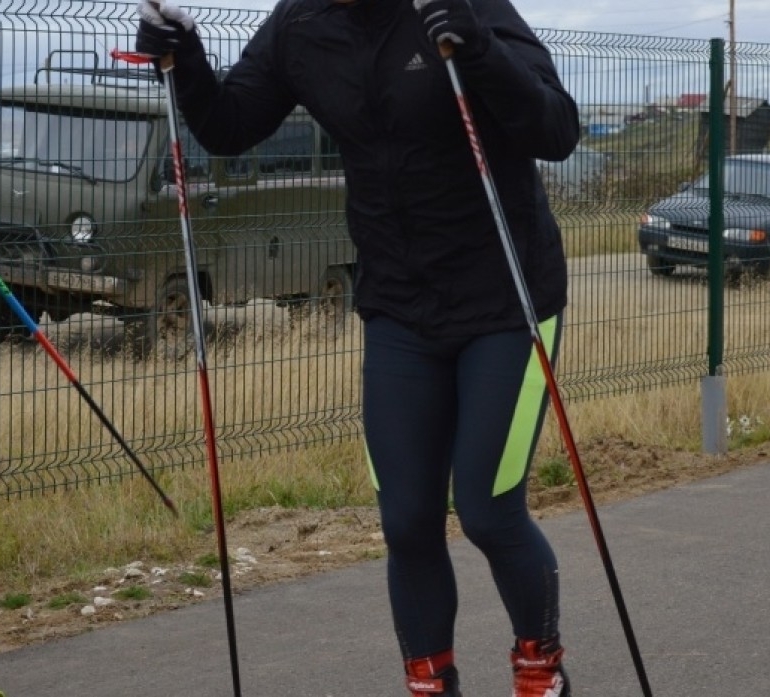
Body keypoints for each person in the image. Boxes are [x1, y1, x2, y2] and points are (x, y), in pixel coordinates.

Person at [134, 1, 578, 695]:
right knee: (406, 519)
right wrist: (183, 59)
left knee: (489, 511)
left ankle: (539, 667)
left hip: (506, 298)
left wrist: (479, 46)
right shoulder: (301, 24)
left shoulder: (458, 4)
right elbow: (227, 127)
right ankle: (431, 682)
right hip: (399, 304)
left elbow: (556, 130)